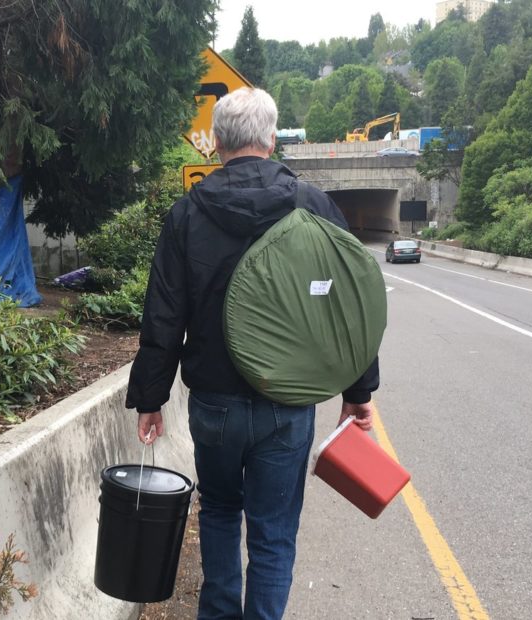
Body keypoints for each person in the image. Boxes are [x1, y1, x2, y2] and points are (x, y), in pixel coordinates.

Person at [125, 87, 380, 619]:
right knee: (273, 533)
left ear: (216, 142)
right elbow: (351, 305)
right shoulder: (314, 206)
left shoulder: (189, 213)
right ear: (271, 137)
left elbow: (164, 315)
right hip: (288, 405)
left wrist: (151, 397)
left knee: (219, 512)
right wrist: (359, 392)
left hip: (214, 403)